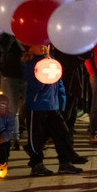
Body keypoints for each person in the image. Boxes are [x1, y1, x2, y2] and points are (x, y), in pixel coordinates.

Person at [23, 45, 82, 176]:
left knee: (62, 133)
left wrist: (61, 102)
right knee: (36, 137)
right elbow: (36, 86)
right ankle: (36, 164)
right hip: (37, 106)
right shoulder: (30, 64)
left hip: (53, 105)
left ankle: (65, 163)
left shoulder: (51, 60)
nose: (43, 47)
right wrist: (43, 73)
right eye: (39, 45)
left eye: (44, 45)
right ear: (30, 48)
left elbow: (58, 83)